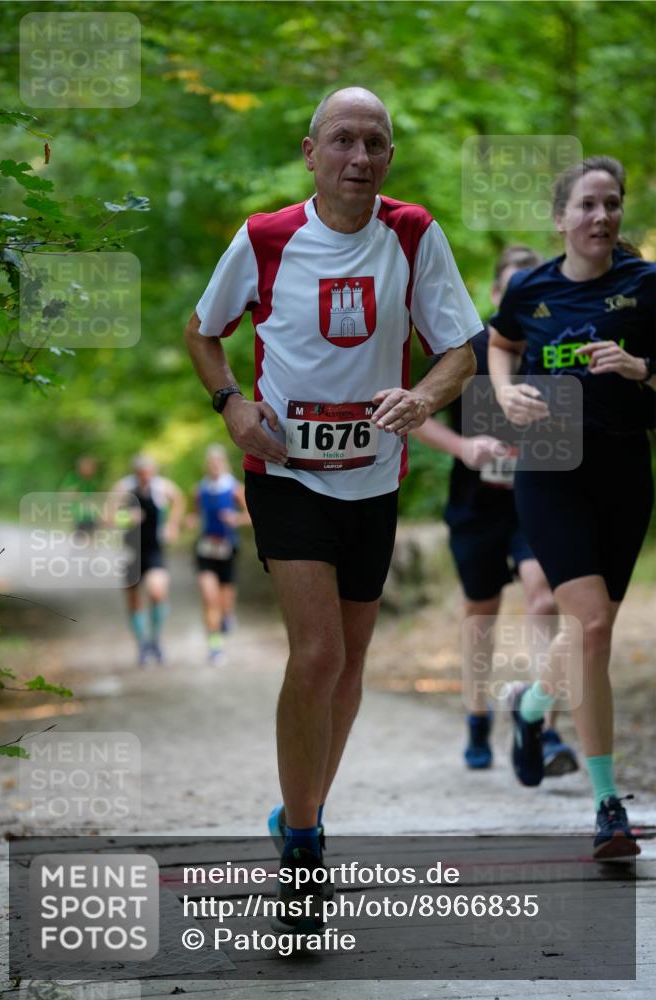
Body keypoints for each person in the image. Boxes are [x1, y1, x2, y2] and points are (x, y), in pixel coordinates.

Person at [186, 87, 481, 923]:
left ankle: (296, 811)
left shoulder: (414, 234)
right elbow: (203, 332)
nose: (359, 158)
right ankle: (307, 845)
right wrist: (233, 407)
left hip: (373, 478)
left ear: (389, 155)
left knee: (349, 669)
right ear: (310, 151)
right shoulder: (266, 237)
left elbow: (458, 348)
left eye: (375, 143)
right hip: (284, 474)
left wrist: (423, 398)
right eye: (343, 141)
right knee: (315, 657)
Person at [488, 156, 655, 859]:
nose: (600, 217)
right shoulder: (530, 288)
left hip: (621, 466)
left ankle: (529, 709)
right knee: (588, 625)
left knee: (596, 625)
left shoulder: (647, 284)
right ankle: (606, 806)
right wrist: (501, 393)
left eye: (611, 204)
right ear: (560, 219)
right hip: (549, 464)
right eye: (586, 205)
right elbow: (498, 344)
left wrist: (640, 368)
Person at [412, 246, 578, 775]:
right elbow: (414, 414)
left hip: (539, 503)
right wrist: (464, 447)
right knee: (480, 616)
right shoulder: (472, 349)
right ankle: (478, 716)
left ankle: (542, 731)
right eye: (512, 289)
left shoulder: (555, 344)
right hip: (476, 506)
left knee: (545, 597)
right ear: (494, 295)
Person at [113, 455, 185, 666]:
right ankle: (142, 644)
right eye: (141, 474)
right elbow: (108, 516)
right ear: (135, 473)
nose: (145, 477)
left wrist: (172, 525)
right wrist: (127, 517)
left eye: (148, 473)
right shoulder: (123, 488)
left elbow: (179, 501)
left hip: (154, 549)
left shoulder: (163, 487)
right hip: (131, 550)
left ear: (154, 472)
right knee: (134, 598)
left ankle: (155, 639)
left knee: (157, 592)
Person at [193, 444, 251, 663]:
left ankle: (227, 617)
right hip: (205, 549)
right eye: (211, 463)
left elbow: (251, 516)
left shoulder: (235, 488)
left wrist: (236, 519)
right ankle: (215, 648)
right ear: (207, 465)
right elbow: (196, 515)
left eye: (218, 462)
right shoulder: (200, 490)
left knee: (225, 602)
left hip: (227, 549)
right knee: (210, 598)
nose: (214, 466)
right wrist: (191, 521)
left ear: (224, 463)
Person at [60, 455, 102, 536]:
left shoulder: (93, 480)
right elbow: (64, 494)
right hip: (78, 514)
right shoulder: (73, 478)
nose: (92, 469)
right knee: (80, 538)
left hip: (91, 513)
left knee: (94, 535)